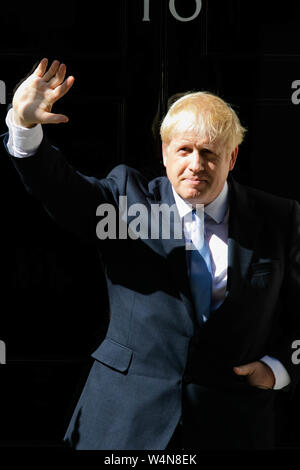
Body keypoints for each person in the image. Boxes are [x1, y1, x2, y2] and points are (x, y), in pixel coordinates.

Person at [3, 58, 300, 450]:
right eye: (185, 150)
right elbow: (61, 190)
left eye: (210, 153)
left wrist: (279, 369)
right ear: (164, 153)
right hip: (125, 423)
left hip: (231, 425)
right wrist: (25, 128)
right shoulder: (127, 198)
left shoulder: (279, 218)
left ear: (232, 158)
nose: (196, 165)